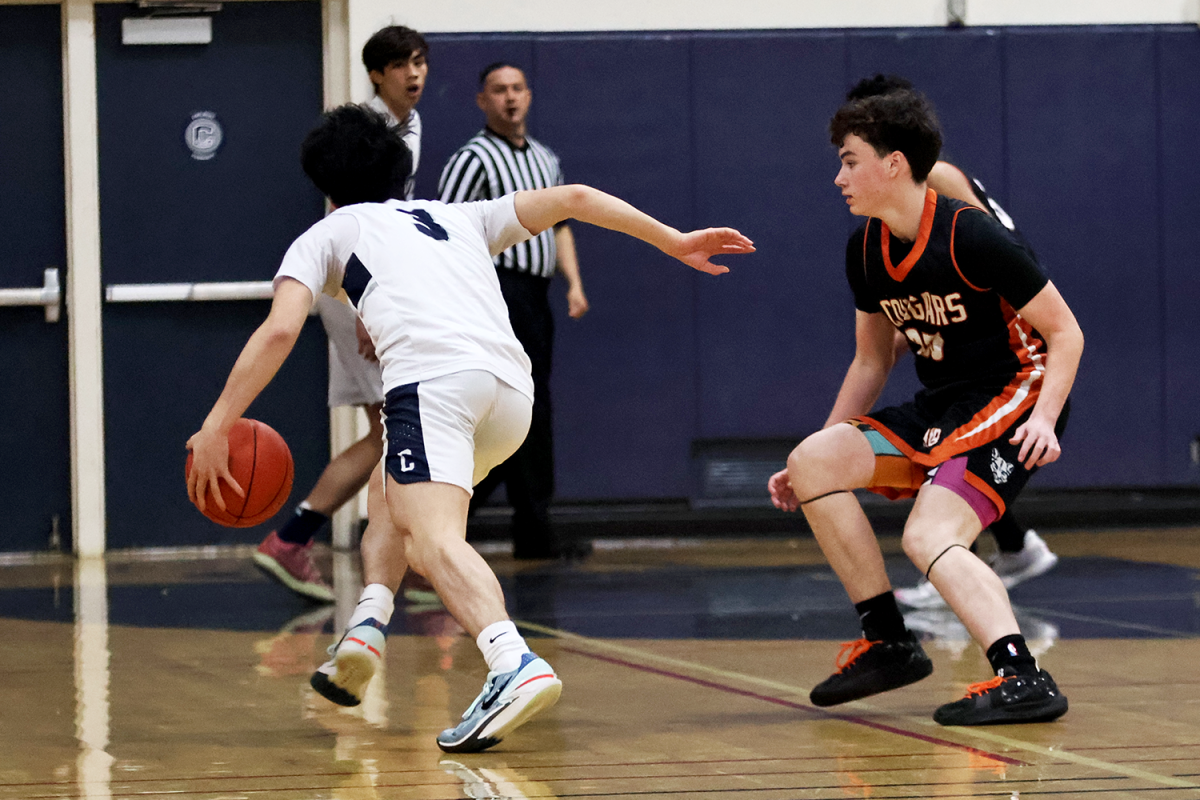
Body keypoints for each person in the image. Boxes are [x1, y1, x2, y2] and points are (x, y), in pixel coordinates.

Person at [186, 104, 752, 752]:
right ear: (398, 169)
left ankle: (511, 661)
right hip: (511, 396)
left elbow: (281, 329)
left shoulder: (327, 233)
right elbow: (574, 197)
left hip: (435, 388)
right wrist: (673, 240)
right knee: (386, 489)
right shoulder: (458, 215)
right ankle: (367, 625)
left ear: (325, 182)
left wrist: (216, 424)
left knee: (432, 540)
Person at [767, 89, 1082, 725]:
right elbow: (871, 362)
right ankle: (888, 642)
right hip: (946, 400)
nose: (839, 176)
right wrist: (819, 452)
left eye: (850, 161)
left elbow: (1066, 332)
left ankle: (1024, 676)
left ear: (894, 164)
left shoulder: (973, 235)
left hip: (1016, 393)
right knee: (812, 462)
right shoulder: (865, 250)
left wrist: (1045, 418)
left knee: (928, 535)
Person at [842, 75, 1059, 611]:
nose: (845, 166)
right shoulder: (877, 228)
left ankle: (969, 556)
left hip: (1006, 320)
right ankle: (1004, 546)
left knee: (952, 435)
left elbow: (980, 252)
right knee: (933, 431)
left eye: (853, 152)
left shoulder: (940, 183)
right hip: (953, 321)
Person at [253, 25, 429, 602]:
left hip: (368, 282)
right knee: (395, 428)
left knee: (391, 430)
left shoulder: (410, 124)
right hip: (357, 286)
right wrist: (364, 303)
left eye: (421, 62)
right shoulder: (367, 129)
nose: (415, 73)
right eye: (402, 64)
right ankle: (299, 538)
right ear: (376, 74)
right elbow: (350, 217)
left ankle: (401, 552)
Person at [437, 63, 589, 560]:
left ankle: (532, 526)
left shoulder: (545, 158)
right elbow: (448, 235)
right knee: (510, 405)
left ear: (529, 95)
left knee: (534, 407)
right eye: (499, 90)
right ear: (482, 100)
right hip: (496, 292)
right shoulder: (472, 159)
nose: (510, 98)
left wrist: (573, 283)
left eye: (517, 88)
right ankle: (455, 516)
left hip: (536, 294)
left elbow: (561, 225)